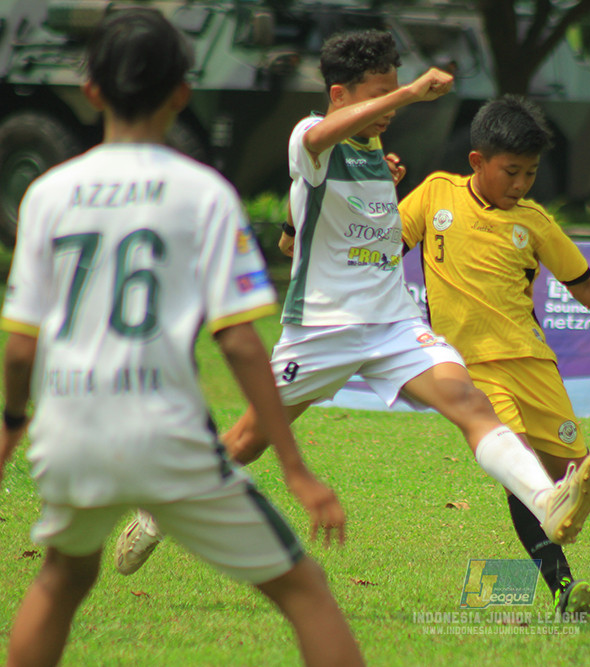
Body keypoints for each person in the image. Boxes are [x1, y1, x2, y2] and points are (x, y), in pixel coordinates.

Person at [115, 30, 590, 580]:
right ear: (340, 94)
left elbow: (312, 227)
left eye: (392, 93)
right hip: (322, 331)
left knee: (469, 402)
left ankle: (547, 502)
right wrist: (411, 93)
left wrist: (375, 184)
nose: (389, 108)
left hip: (393, 324)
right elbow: (315, 154)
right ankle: (159, 511)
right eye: (378, 95)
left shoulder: (373, 150)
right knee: (247, 441)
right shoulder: (309, 134)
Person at [0, 9, 364, 666]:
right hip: (165, 435)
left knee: (60, 579)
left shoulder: (47, 194)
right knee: (305, 589)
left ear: (90, 91)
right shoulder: (203, 193)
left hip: (70, 432)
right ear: (181, 94)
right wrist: (295, 467)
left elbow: (22, 345)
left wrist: (9, 426)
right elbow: (241, 342)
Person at [398, 95, 590, 614]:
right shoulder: (435, 196)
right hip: (472, 369)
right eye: (511, 171)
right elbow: (377, 250)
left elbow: (585, 285)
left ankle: (561, 505)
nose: (521, 184)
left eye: (530, 173)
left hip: (533, 364)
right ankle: (564, 587)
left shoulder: (535, 222)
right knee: (521, 472)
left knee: (571, 472)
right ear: (477, 162)